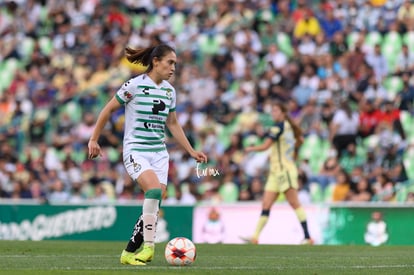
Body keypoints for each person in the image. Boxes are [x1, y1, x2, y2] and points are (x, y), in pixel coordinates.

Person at [88, 44, 207, 266]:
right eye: (170, 62)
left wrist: (190, 150)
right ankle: (149, 249)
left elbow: (172, 123)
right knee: (153, 191)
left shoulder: (169, 91)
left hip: (159, 153)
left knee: (156, 199)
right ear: (156, 61)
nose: (173, 68)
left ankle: (128, 252)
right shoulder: (134, 85)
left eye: (175, 64)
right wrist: (94, 139)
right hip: (136, 150)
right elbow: (107, 109)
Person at [241, 101, 312, 245]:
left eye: (275, 111)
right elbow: (300, 141)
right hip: (275, 172)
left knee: (294, 203)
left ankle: (307, 237)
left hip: (284, 171)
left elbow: (266, 145)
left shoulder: (278, 127)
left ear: (283, 113)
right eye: (272, 111)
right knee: (266, 204)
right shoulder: (290, 128)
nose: (273, 113)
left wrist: (251, 149)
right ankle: (255, 237)